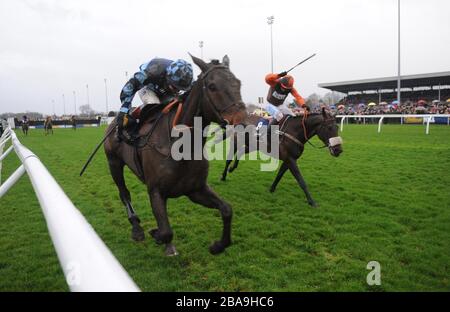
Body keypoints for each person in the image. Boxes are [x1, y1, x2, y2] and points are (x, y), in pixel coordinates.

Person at [117, 58, 194, 138]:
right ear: (167, 75)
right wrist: (124, 110)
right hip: (148, 88)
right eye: (175, 87)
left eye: (179, 88)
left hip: (165, 92)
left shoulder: (188, 80)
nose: (177, 90)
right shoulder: (152, 71)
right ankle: (137, 125)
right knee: (154, 105)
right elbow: (129, 88)